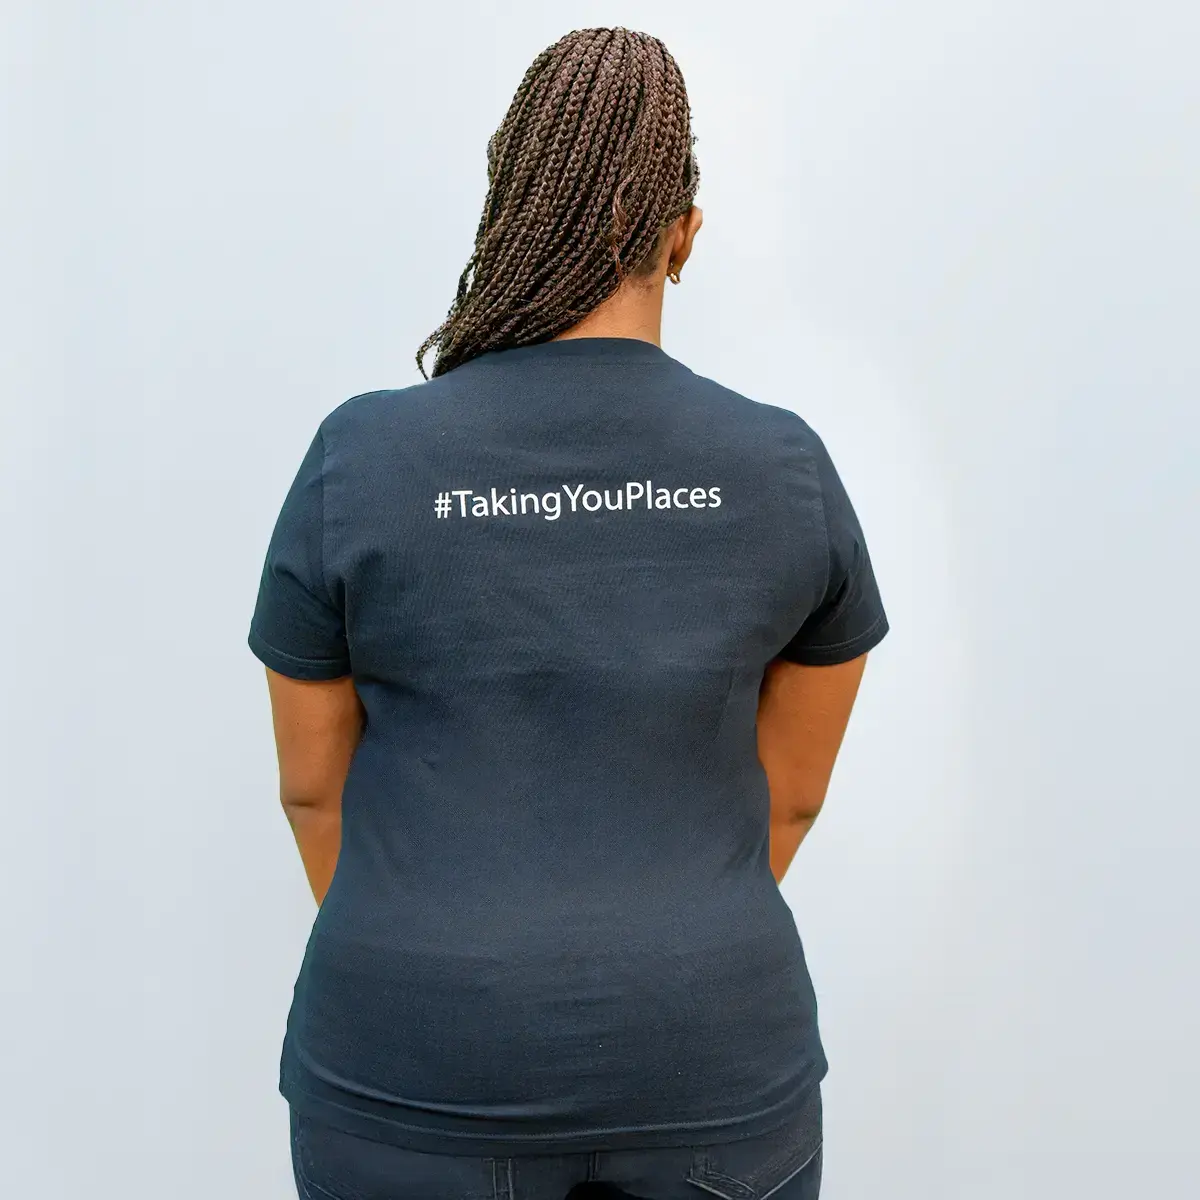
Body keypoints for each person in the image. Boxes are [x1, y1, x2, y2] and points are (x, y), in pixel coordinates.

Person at [248, 25, 888, 1200]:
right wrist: (650, 954)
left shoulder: (361, 458)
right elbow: (791, 795)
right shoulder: (781, 468)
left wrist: (457, 967)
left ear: (507, 205)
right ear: (683, 236)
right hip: (711, 1053)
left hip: (412, 1062)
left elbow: (311, 790)